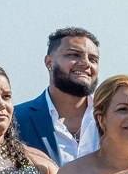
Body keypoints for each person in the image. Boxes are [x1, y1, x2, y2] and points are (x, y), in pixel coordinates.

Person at [14, 28, 101, 165]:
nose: (85, 63)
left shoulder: (114, 117)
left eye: (93, 59)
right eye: (74, 55)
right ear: (49, 62)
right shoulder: (15, 120)